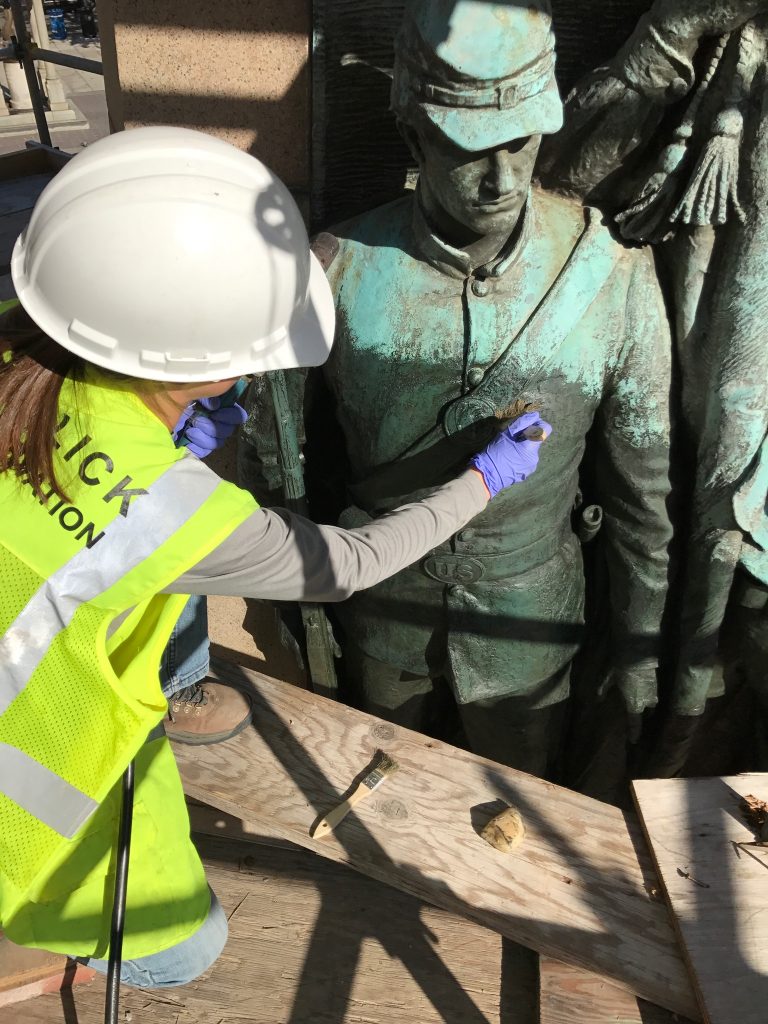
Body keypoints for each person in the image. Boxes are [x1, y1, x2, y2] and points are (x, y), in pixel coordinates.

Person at [0, 125, 549, 988]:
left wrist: (170, 442)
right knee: (185, 951)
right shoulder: (172, 515)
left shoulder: (21, 338)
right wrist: (485, 479)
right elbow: (352, 563)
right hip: (25, 767)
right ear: (212, 372)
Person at [305, 0, 673, 779]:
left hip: (529, 634)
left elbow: (644, 499)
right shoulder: (336, 267)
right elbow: (289, 463)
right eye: (469, 150)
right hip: (382, 620)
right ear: (414, 136)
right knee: (385, 804)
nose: (503, 177)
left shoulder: (613, 277)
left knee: (530, 820)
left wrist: (640, 649)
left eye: (523, 142)